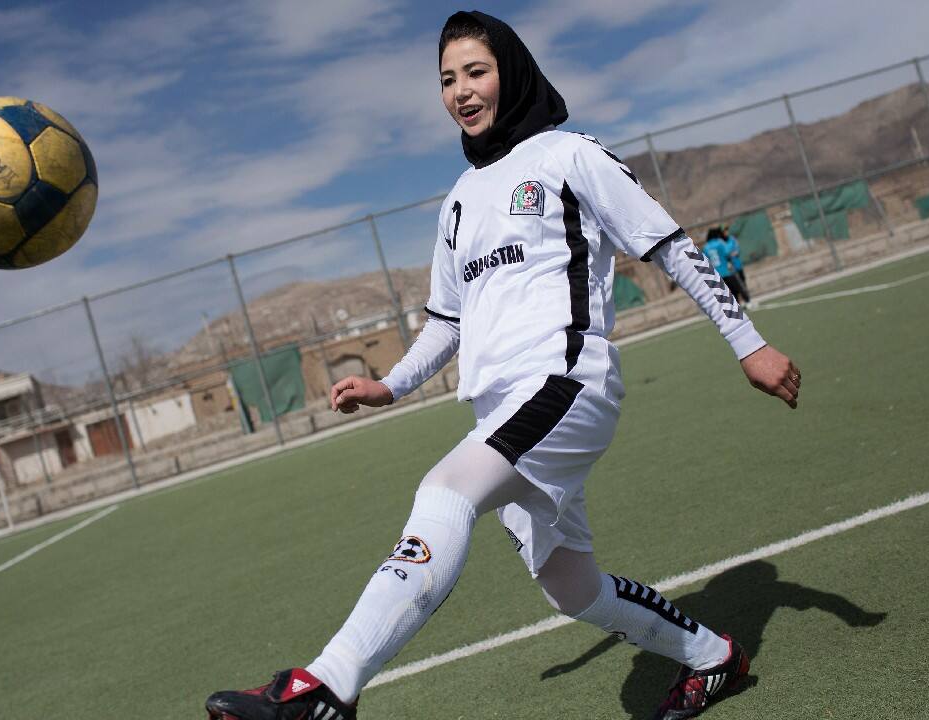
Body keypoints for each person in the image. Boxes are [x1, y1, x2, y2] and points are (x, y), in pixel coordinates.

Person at [205, 11, 801, 720]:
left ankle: (324, 690)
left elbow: (668, 244)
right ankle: (714, 659)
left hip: (566, 380)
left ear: (511, 72)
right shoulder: (458, 201)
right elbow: (447, 320)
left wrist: (748, 343)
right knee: (571, 588)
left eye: (476, 72)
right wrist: (388, 385)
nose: (461, 91)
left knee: (445, 492)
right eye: (447, 79)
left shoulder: (569, 156)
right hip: (503, 407)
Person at [722, 225, 751, 305]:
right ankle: (739, 302)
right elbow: (725, 254)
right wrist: (730, 254)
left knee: (743, 283)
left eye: (727, 230)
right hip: (730, 269)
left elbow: (736, 250)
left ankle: (747, 300)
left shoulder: (732, 239)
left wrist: (733, 254)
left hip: (737, 265)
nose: (726, 232)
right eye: (724, 231)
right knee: (734, 286)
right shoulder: (721, 243)